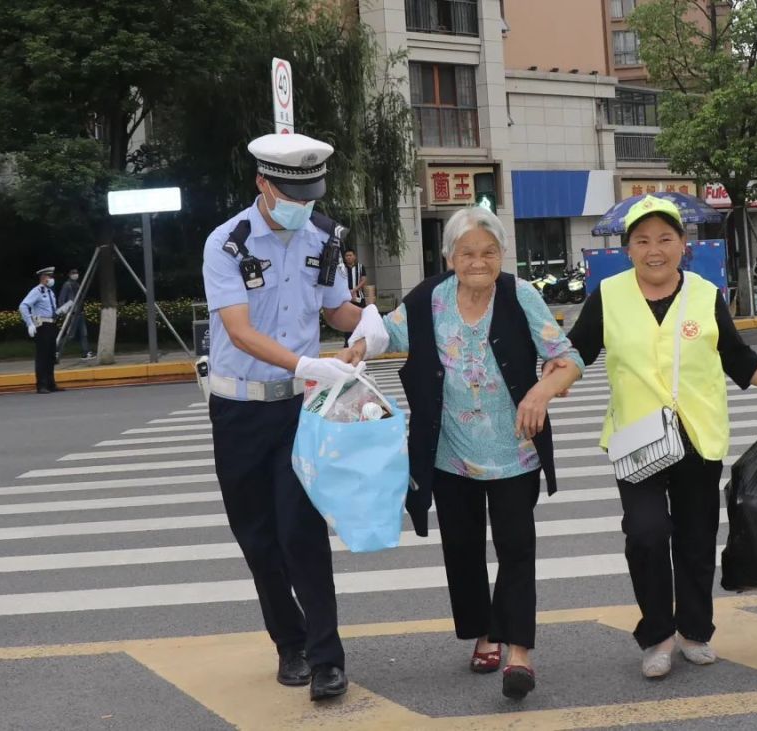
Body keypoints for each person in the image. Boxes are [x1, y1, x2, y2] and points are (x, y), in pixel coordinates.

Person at [542, 196, 757, 679]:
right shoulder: (609, 296)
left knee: (694, 537)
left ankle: (694, 631)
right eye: (642, 241)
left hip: (697, 434)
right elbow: (577, 352)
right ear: (628, 250)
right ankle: (657, 636)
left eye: (665, 239)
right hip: (637, 437)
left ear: (683, 245)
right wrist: (548, 385)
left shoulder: (705, 295)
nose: (654, 250)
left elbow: (739, 358)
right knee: (646, 533)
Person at [342, 207, 583, 700]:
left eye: (489, 252)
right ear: (450, 256)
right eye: (467, 252)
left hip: (515, 450)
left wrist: (540, 393)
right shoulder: (430, 298)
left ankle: (519, 651)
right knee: (463, 549)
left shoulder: (520, 295)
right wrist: (357, 348)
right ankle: (483, 633)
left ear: (501, 255)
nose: (479, 261)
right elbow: (386, 331)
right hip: (449, 452)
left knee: (517, 548)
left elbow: (568, 359)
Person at [201, 132, 388, 702]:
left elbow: (334, 305)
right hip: (239, 409)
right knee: (256, 537)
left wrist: (366, 323)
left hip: (299, 409)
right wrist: (309, 361)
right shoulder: (228, 243)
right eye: (291, 193)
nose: (302, 204)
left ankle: (329, 658)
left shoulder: (325, 237)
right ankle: (290, 642)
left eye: (310, 194)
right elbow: (238, 328)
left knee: (300, 530)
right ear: (263, 183)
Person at [19, 267, 72, 394]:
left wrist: (61, 310)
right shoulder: (37, 291)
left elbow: (50, 311)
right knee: (42, 357)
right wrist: (30, 324)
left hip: (51, 325)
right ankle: (41, 385)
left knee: (50, 356)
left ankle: (51, 384)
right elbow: (23, 306)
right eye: (50, 276)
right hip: (41, 326)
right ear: (43, 278)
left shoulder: (50, 292)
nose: (52, 279)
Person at [58, 268, 94, 360]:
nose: (75, 274)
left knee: (84, 334)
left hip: (80, 312)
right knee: (70, 335)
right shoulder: (67, 285)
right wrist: (65, 311)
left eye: (76, 273)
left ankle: (86, 352)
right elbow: (62, 299)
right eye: (73, 273)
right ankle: (56, 350)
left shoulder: (77, 284)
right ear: (69, 275)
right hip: (73, 313)